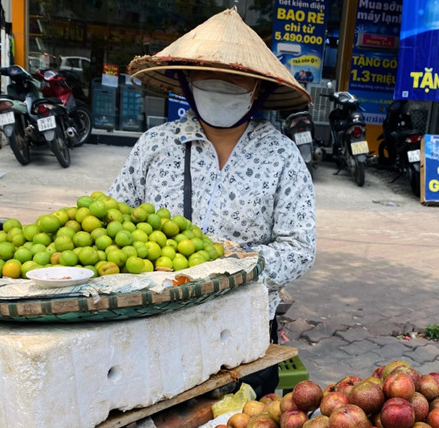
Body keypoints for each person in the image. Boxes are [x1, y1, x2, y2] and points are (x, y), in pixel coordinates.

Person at [109, 8, 316, 396]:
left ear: (259, 90)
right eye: (208, 75)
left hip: (244, 331)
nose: (221, 84)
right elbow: (112, 221)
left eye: (237, 78)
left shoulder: (282, 155)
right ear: (186, 80)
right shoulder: (155, 146)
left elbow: (300, 247)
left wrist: (232, 267)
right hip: (157, 325)